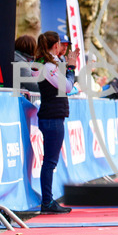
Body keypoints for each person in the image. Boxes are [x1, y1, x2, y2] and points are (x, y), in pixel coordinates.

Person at [34, 31, 79, 214]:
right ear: (55, 45)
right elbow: (67, 87)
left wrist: (66, 64)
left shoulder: (48, 63)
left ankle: (47, 201)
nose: (62, 46)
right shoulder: (46, 66)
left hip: (52, 115)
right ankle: (47, 202)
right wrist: (71, 68)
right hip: (51, 116)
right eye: (60, 43)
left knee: (50, 162)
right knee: (50, 162)